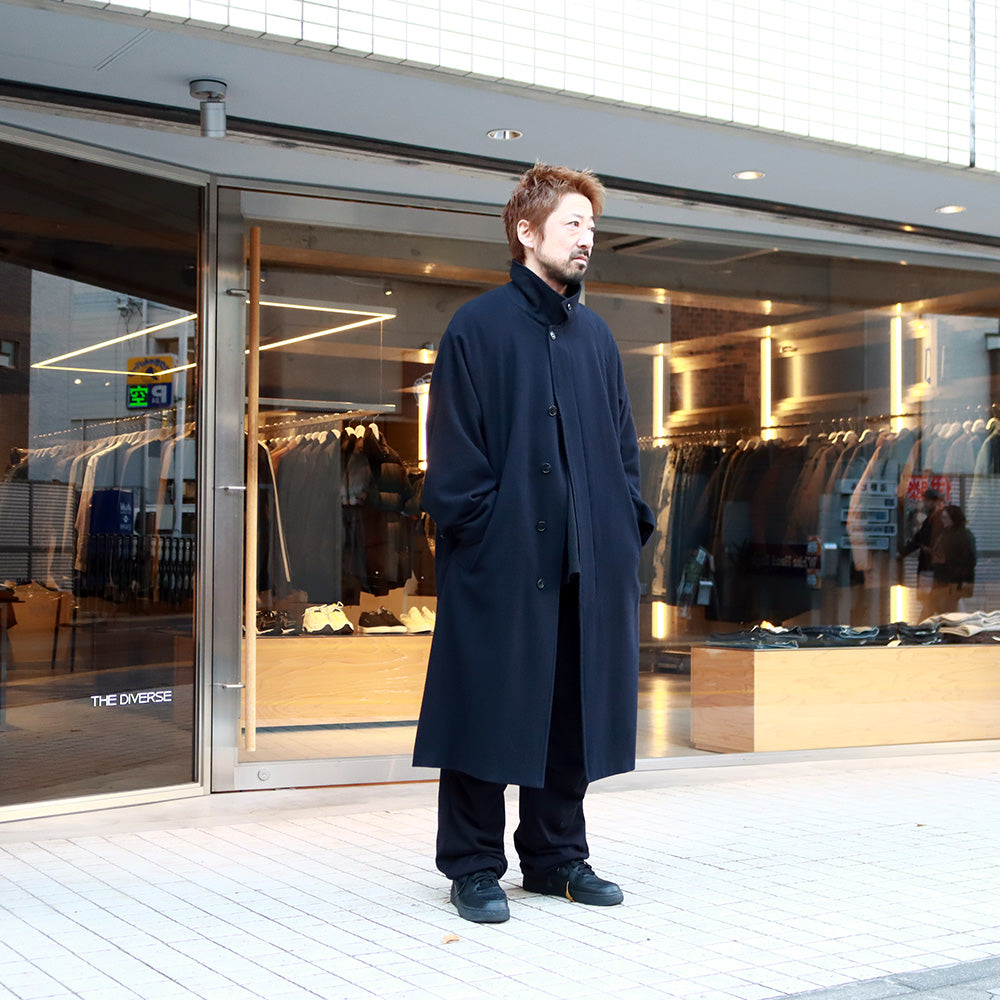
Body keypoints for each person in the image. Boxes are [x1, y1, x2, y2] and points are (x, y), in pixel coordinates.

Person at [412, 163, 655, 923]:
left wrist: (624, 529)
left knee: (569, 714)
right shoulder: (477, 327)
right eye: (573, 223)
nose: (588, 238)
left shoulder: (596, 337)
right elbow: (454, 453)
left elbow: (622, 449)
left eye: (593, 226)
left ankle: (556, 858)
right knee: (487, 708)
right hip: (503, 561)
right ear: (526, 231)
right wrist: (485, 534)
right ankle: (473, 866)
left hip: (586, 562)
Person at [926, 504, 976, 615]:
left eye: (945, 518)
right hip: (946, 579)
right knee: (939, 609)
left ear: (953, 519)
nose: (942, 521)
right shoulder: (948, 533)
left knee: (945, 611)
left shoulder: (959, 536)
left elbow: (968, 560)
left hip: (950, 580)